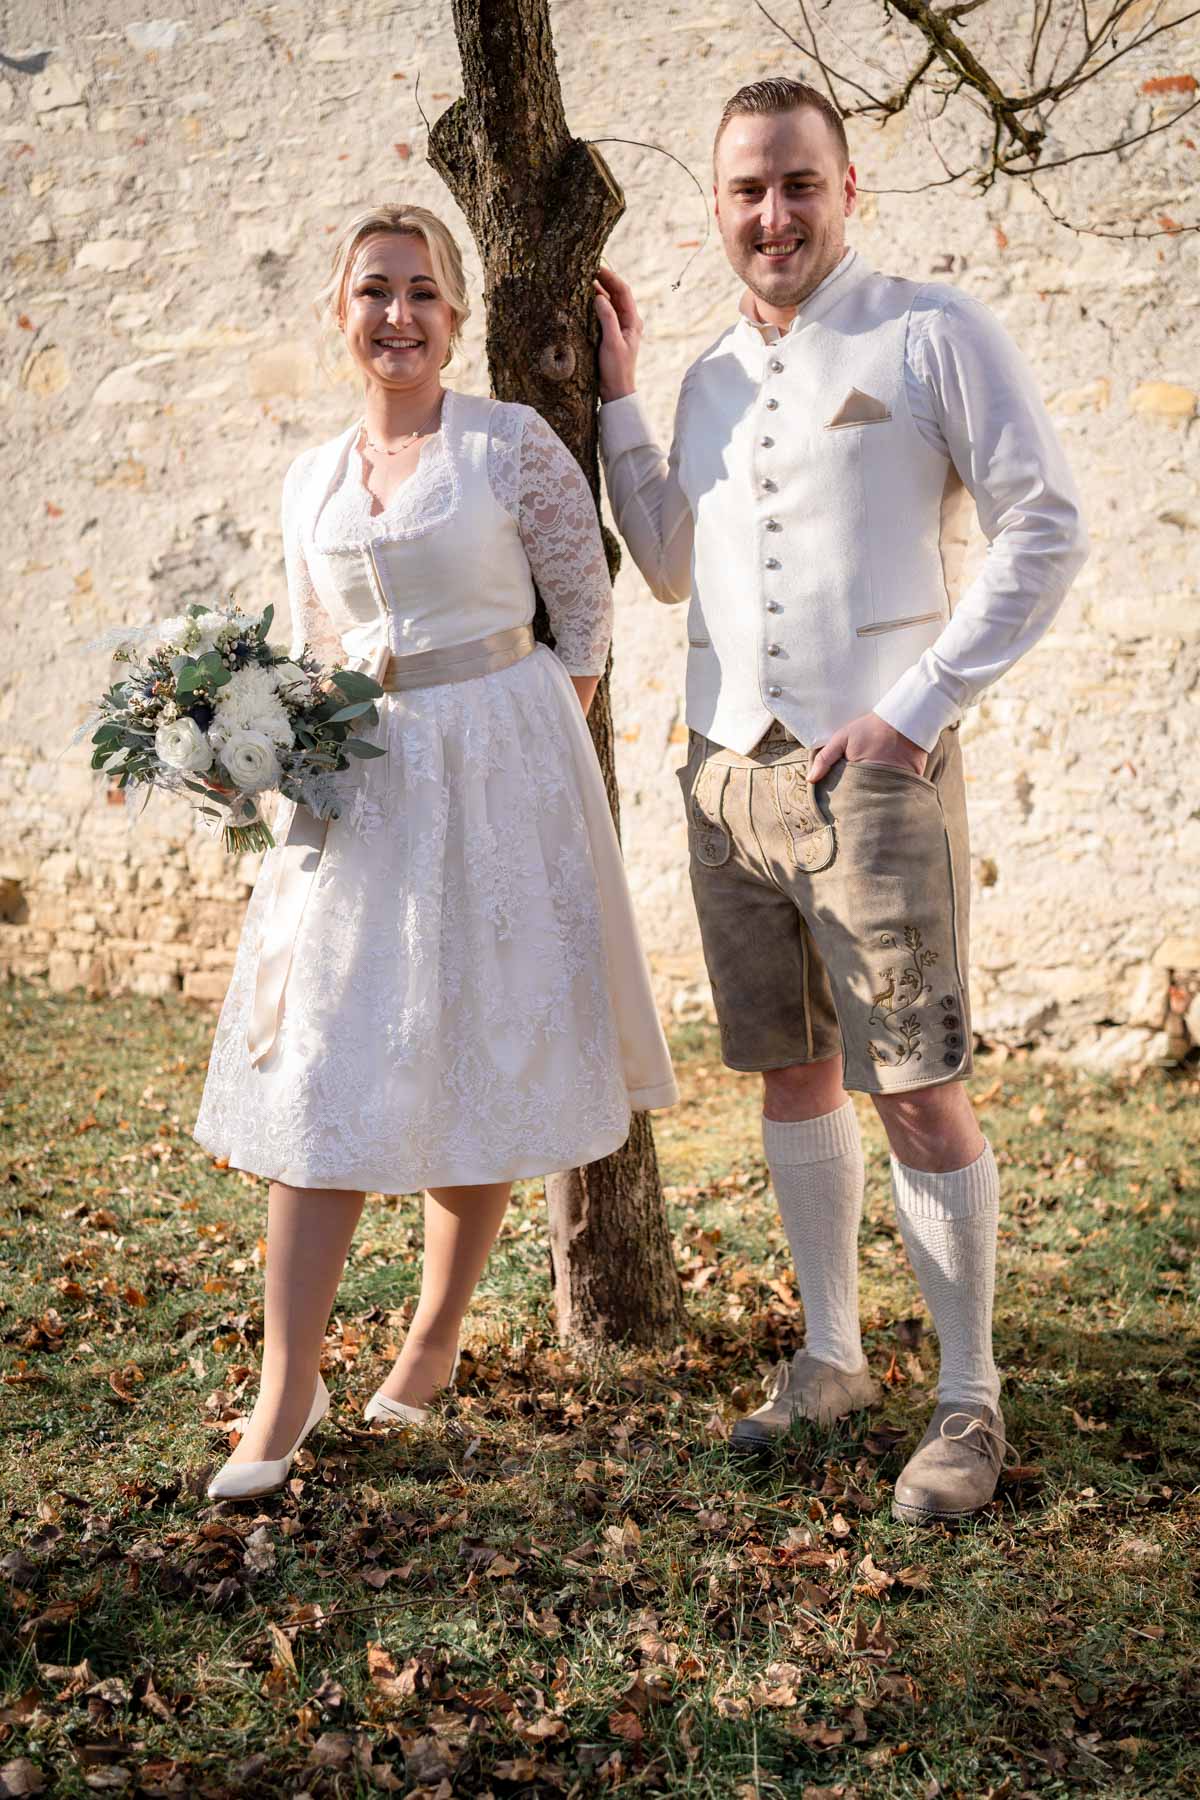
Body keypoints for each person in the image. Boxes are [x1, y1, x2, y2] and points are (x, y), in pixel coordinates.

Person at [594, 79, 1087, 1524]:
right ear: (717, 206)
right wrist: (620, 402)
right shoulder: (707, 379)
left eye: (799, 183)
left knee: (919, 1088)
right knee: (792, 1073)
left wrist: (916, 708)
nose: (774, 215)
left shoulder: (931, 331)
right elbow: (670, 563)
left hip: (878, 770)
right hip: (726, 772)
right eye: (748, 190)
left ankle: (969, 1398)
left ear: (849, 189)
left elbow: (1045, 524)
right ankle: (831, 1357)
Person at [194, 202, 677, 1501]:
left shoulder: (510, 446)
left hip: (499, 779)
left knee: (477, 1042)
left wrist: (512, 753)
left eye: (421, 292)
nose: (396, 314)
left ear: (456, 319)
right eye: (374, 291)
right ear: (340, 313)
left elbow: (584, 619)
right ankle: (286, 1383)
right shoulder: (309, 480)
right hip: (358, 791)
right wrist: (259, 751)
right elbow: (312, 649)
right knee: (325, 1061)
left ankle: (431, 1341)